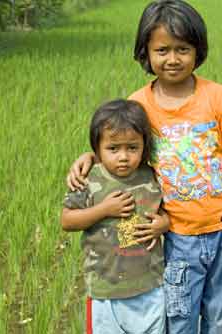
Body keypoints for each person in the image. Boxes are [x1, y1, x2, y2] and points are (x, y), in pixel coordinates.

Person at [67, 1, 222, 333]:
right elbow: (121, 149)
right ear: (146, 52)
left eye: (182, 49)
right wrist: (89, 158)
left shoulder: (219, 99)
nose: (172, 59)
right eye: (162, 50)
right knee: (180, 318)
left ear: (197, 51)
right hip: (175, 234)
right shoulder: (138, 105)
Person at [61, 99, 169, 334]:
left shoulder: (150, 175)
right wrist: (104, 210)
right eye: (113, 148)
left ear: (144, 147)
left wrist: (164, 223)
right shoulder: (89, 178)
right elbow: (67, 220)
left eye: (132, 148)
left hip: (150, 287)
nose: (123, 157)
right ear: (97, 149)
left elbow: (162, 209)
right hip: (105, 291)